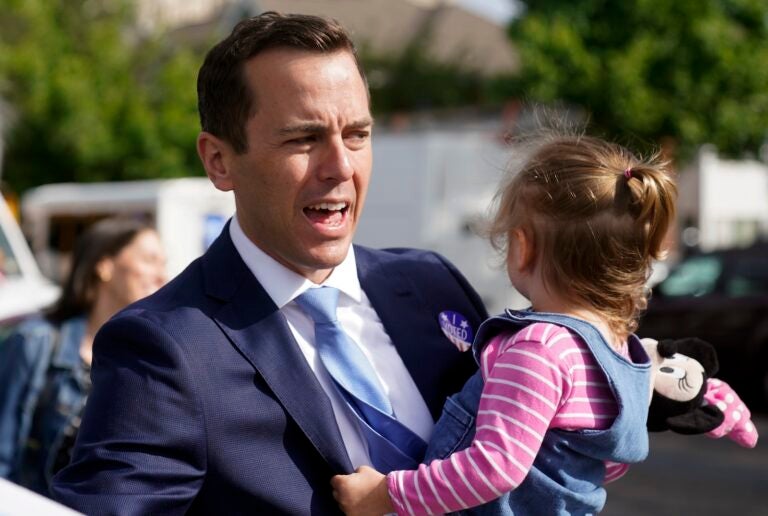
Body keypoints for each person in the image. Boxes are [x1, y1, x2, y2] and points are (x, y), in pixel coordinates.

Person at [51, 12, 487, 515]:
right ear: (219, 161)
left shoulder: (433, 284)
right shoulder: (161, 349)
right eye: (303, 138)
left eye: (357, 135)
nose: (340, 166)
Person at [331, 135, 678, 515]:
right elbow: (603, 462)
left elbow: (494, 468)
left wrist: (386, 494)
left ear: (522, 246)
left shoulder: (540, 348)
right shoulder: (621, 353)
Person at [0, 217, 166, 496]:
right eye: (150, 260)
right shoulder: (35, 342)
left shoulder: (153, 354)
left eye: (163, 263)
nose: (162, 276)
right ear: (104, 266)